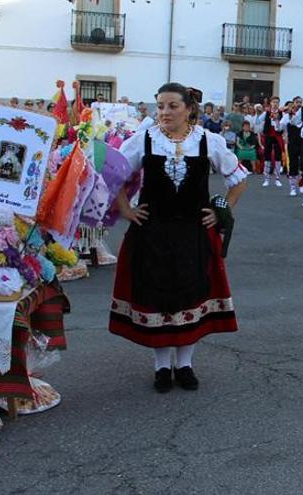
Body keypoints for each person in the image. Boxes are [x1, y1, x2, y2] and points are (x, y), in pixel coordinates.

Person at [110, 82, 248, 393]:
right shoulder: (143, 139)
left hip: (193, 233)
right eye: (160, 106)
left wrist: (221, 210)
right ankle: (161, 368)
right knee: (157, 296)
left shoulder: (208, 141)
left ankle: (185, 365)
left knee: (190, 294)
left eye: (172, 106)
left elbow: (238, 179)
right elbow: (114, 173)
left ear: (188, 109)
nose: (165, 112)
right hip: (152, 232)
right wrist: (125, 210)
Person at [254, 96, 286, 188]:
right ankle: (266, 179)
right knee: (267, 157)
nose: (275, 104)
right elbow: (257, 121)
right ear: (270, 103)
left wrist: (277, 122)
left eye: (277, 102)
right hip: (268, 136)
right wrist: (258, 113)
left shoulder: (281, 113)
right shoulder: (266, 113)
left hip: (278, 137)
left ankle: (277, 179)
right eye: (273, 102)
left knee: (278, 157)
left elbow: (283, 126)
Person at [283, 97, 303, 196]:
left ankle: (302, 184)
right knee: (293, 164)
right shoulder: (288, 115)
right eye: (297, 102)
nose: (299, 104)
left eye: (300, 102)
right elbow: (280, 127)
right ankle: (292, 188)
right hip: (292, 142)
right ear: (293, 103)